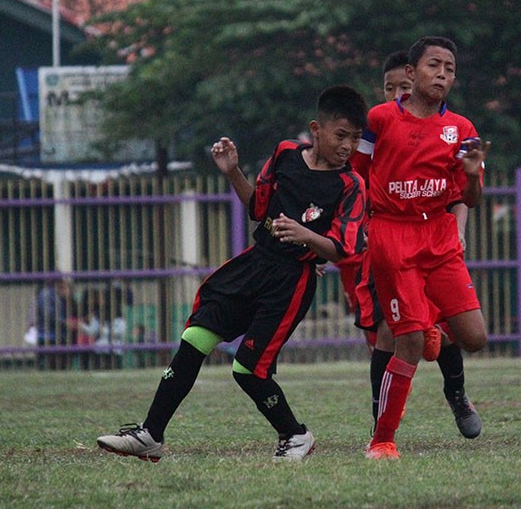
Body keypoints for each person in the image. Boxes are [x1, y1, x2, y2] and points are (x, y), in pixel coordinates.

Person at [96, 85, 368, 462]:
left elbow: (345, 248)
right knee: (193, 340)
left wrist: (307, 237)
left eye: (355, 138)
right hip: (255, 264)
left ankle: (295, 434)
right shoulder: (286, 153)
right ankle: (150, 435)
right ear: (316, 129)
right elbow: (258, 206)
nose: (348, 146)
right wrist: (232, 171)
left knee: (247, 370)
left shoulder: (351, 184)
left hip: (291, 281)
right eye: (341, 135)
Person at [354, 37, 490, 460]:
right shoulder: (378, 119)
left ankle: (434, 336)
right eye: (435, 65)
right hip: (393, 234)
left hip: (441, 237)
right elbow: (356, 174)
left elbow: (470, 198)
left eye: (450, 68)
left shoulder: (463, 129)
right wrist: (356, 223)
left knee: (475, 337)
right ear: (411, 74)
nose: (443, 74)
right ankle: (383, 441)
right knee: (406, 339)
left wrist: (470, 176)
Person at [32, 277, 75, 371]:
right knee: (54, 364)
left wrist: (67, 298)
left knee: (60, 363)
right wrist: (64, 322)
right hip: (49, 334)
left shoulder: (57, 294)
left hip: (56, 334)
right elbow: (49, 314)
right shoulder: (47, 294)